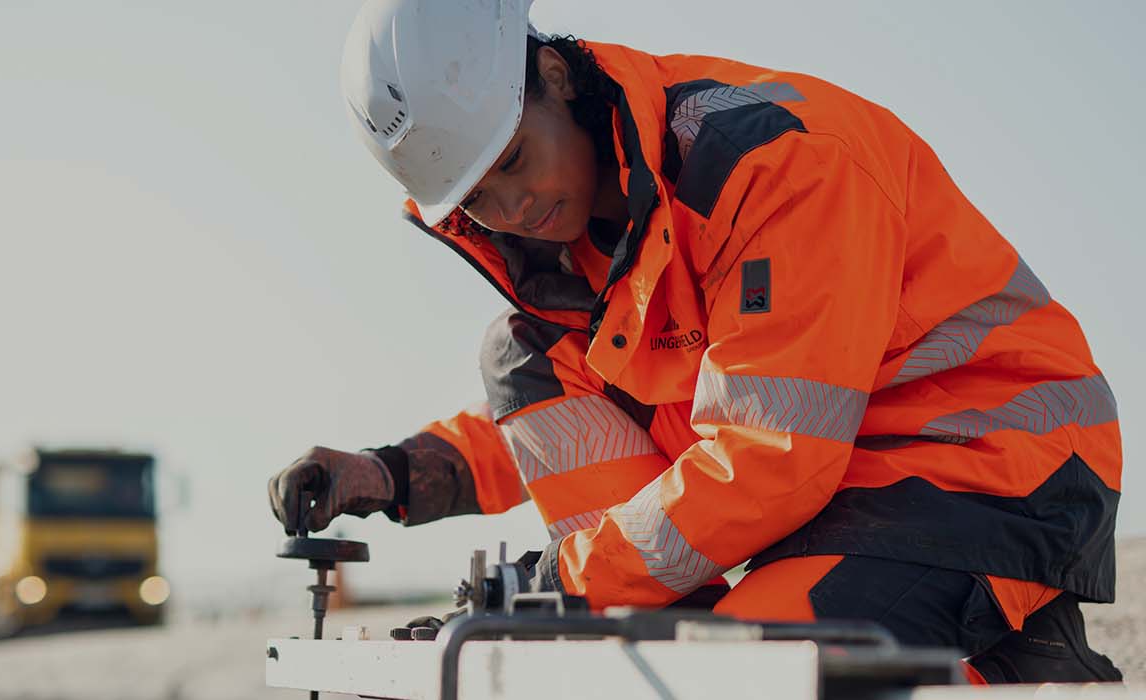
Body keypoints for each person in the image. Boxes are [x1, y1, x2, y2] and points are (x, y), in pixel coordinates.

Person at [269, 0, 1123, 683]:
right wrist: (391, 472)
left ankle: (1010, 667)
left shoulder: (770, 163)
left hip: (988, 461)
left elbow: (774, 450)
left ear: (556, 76)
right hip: (834, 484)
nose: (514, 207)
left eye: (516, 160)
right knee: (517, 357)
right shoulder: (580, 259)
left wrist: (565, 585)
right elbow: (598, 400)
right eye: (479, 202)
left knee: (762, 676)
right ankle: (676, 624)